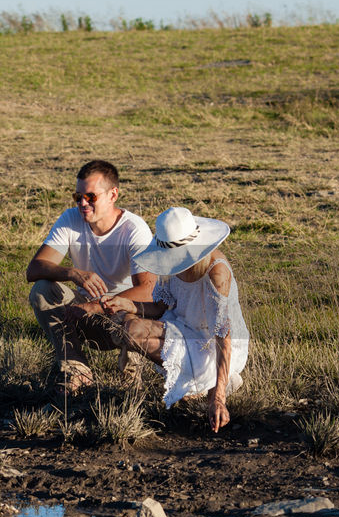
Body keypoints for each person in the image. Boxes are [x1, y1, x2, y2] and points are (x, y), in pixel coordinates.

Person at [102, 206, 249, 432]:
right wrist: (127, 304)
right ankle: (192, 384)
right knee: (121, 323)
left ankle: (213, 383)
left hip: (210, 346)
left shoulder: (216, 273)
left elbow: (224, 336)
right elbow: (161, 307)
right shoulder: (171, 267)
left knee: (132, 331)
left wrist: (218, 398)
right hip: (181, 328)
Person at [26, 160, 155, 393]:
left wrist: (94, 306)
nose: (83, 203)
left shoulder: (134, 229)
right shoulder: (70, 219)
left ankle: (130, 374)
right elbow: (34, 270)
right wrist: (72, 273)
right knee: (42, 289)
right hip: (82, 313)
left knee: (132, 320)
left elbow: (147, 289)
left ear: (113, 194)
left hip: (120, 315)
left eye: (91, 197)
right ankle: (76, 369)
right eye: (78, 197)